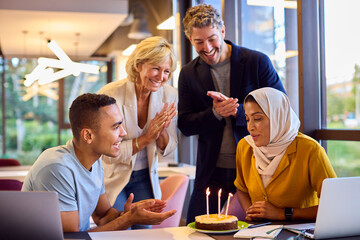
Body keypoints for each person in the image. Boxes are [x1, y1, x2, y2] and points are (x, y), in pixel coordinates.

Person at [178, 4, 285, 223]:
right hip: (211, 171)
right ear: (190, 40)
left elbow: (281, 112)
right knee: (197, 229)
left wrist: (242, 113)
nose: (207, 48)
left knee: (254, 230)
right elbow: (185, 124)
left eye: (212, 38)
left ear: (223, 31)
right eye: (199, 42)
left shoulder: (257, 61)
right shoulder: (188, 73)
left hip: (256, 169)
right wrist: (215, 114)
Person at [22, 93, 176, 232]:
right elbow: (70, 238)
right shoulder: (57, 168)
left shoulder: (94, 161)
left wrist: (128, 214)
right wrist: (129, 219)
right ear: (88, 135)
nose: (123, 133)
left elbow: (102, 216)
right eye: (116, 127)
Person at [97, 36, 178, 229]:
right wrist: (145, 138)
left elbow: (169, 148)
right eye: (156, 68)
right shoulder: (110, 94)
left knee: (144, 232)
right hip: (113, 175)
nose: (161, 77)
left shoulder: (170, 95)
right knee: (116, 229)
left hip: (145, 177)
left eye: (166, 71)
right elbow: (107, 152)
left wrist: (162, 131)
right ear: (139, 65)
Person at [235, 87, 337, 221]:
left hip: (300, 232)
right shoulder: (245, 146)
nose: (250, 127)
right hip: (259, 232)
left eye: (258, 118)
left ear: (278, 116)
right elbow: (241, 189)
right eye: (247, 119)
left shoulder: (310, 149)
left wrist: (283, 213)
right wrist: (252, 214)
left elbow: (334, 205)